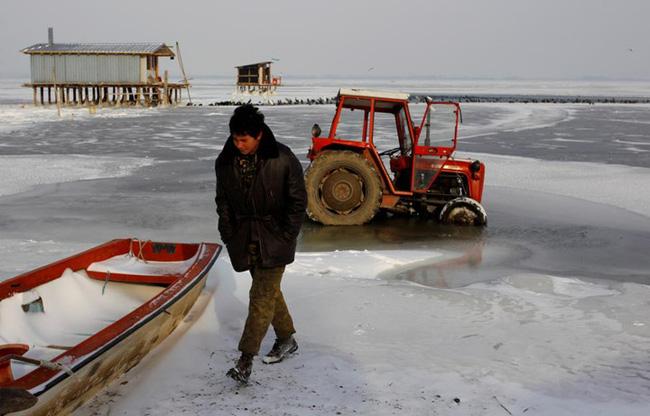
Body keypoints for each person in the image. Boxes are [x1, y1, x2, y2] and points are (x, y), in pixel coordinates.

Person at [215, 104, 307, 383]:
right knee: (269, 292)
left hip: (274, 236)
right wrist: (228, 231)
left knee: (261, 296)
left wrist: (287, 234)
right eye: (235, 138)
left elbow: (298, 200)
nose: (238, 144)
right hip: (245, 237)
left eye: (243, 139)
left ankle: (245, 360)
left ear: (258, 136)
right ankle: (287, 338)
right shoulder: (225, 160)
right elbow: (224, 201)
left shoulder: (281, 157)